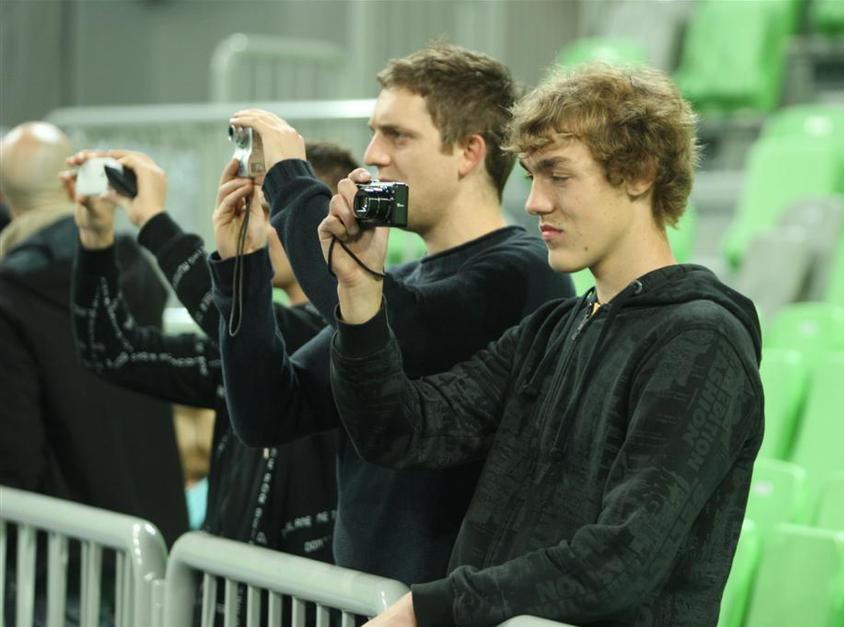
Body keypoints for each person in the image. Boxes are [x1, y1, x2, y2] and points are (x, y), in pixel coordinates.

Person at [325, 64, 764, 625]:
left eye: (558, 175)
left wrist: (432, 608)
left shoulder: (702, 340)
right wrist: (361, 292)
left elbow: (620, 560)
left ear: (640, 173)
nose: (534, 202)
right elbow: (399, 430)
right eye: (532, 176)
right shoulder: (551, 330)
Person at [208, 43, 574, 584]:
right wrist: (243, 267)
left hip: (444, 607)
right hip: (367, 603)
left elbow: (394, 330)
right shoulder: (402, 281)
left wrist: (291, 181)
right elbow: (269, 411)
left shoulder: (524, 272)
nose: (373, 155)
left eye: (397, 135)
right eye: (374, 133)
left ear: (468, 152)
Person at [67, 146, 357, 563]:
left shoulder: (349, 337)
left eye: (273, 210)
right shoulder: (243, 352)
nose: (260, 225)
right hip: (230, 586)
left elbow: (247, 324)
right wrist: (96, 240)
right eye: (258, 208)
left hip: (306, 592)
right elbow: (112, 351)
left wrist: (154, 222)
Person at [0, 122, 188, 543]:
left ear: (3, 196)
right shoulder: (137, 270)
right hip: (156, 541)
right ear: (71, 183)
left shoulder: (10, 298)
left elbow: (14, 454)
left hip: (64, 553)